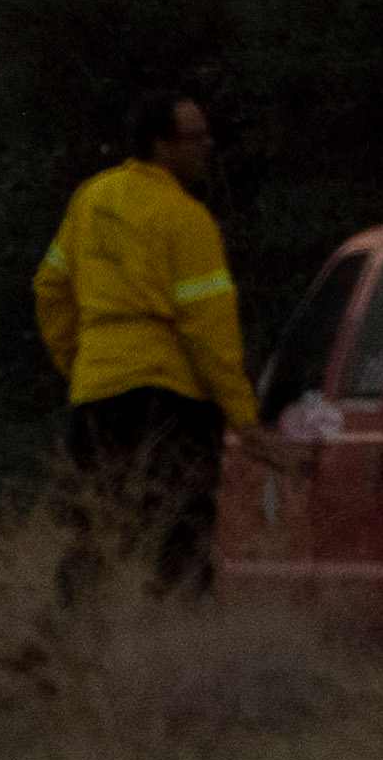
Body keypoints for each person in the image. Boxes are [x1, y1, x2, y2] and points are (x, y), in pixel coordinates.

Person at [32, 88, 253, 600]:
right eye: (195, 138)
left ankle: (71, 651)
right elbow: (210, 331)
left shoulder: (91, 198)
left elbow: (48, 288)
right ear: (162, 145)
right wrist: (242, 413)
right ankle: (179, 654)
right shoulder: (186, 219)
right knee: (183, 538)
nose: (208, 147)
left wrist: (78, 362)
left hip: (96, 392)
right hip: (172, 400)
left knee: (94, 531)